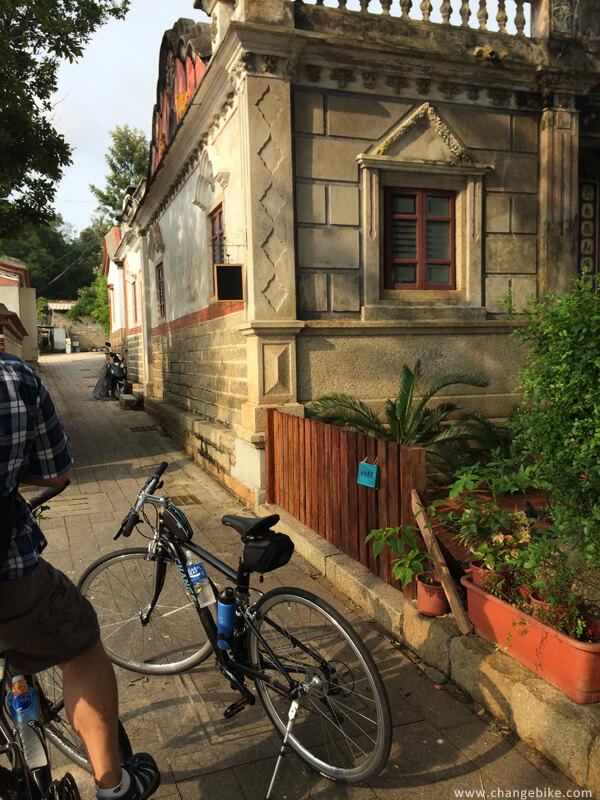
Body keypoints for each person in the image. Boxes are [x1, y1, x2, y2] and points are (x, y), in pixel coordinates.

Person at [0, 352, 160, 800]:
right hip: (12, 574)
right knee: (81, 641)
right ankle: (114, 785)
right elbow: (56, 472)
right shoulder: (14, 376)